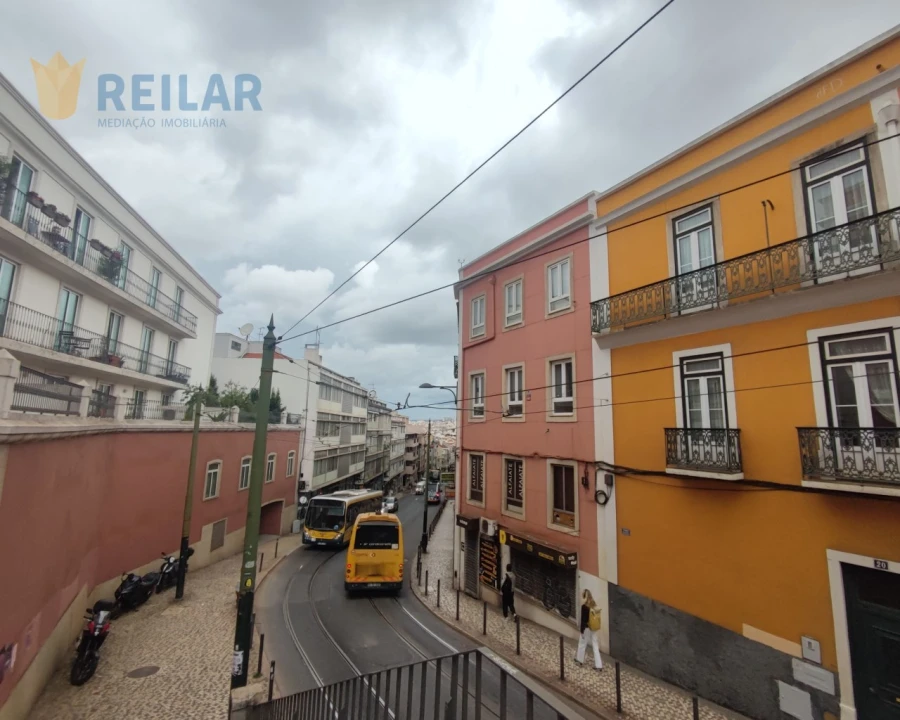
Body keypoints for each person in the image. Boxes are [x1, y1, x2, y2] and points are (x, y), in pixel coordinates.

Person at [575, 589, 603, 670]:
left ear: (585, 597)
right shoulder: (594, 605)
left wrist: (581, 630)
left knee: (582, 644)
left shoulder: (584, 607)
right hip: (594, 628)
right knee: (595, 645)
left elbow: (583, 620)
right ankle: (599, 665)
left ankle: (579, 660)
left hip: (586, 628)